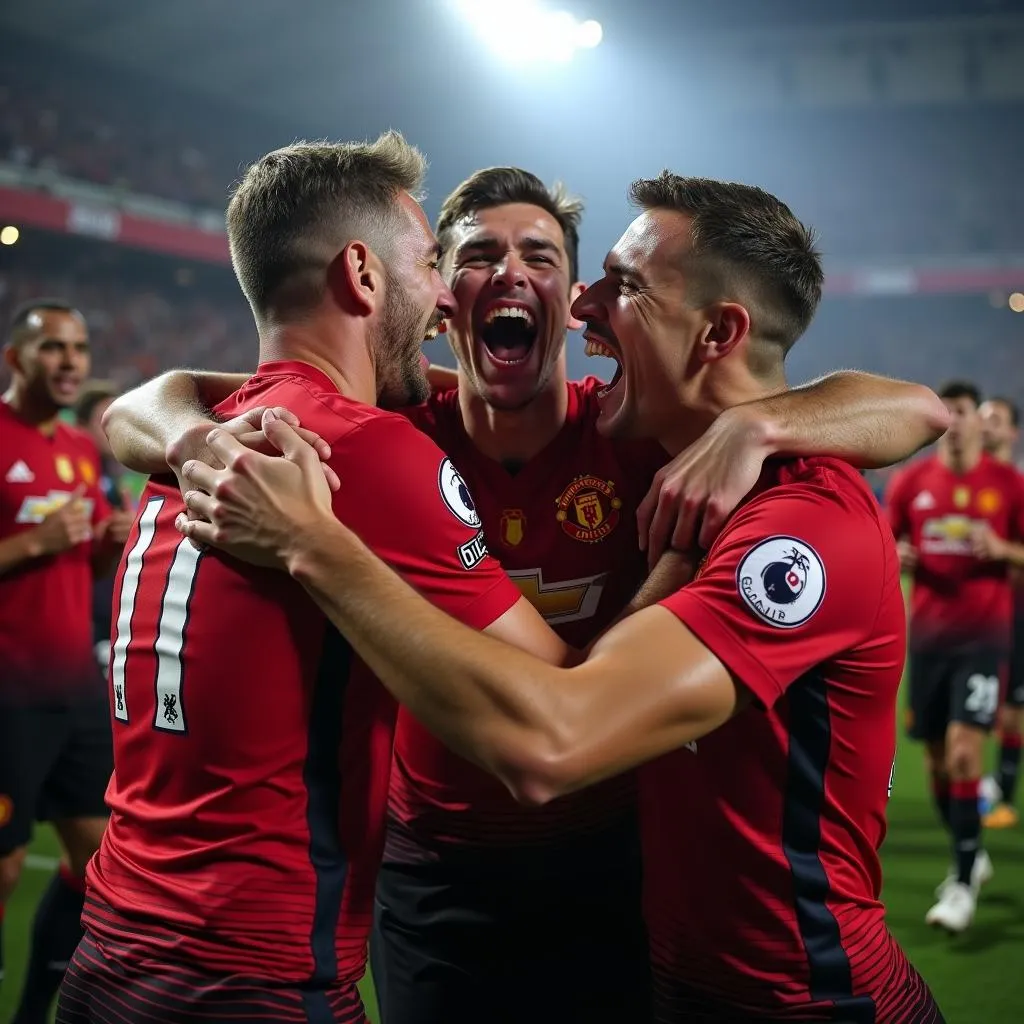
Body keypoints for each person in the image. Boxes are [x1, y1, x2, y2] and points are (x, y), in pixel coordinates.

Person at [104, 164, 948, 1023]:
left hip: (607, 862)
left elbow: (918, 410)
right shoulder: (390, 434)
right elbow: (141, 404)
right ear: (445, 300)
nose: (523, 280)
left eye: (546, 258)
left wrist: (756, 422)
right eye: (467, 256)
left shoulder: (645, 442)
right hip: (433, 874)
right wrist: (194, 440)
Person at [54, 134, 562, 1024]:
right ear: (363, 274)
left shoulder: (205, 435)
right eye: (430, 265)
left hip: (111, 957)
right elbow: (549, 702)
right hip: (248, 980)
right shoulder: (361, 450)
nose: (445, 298)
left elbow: (135, 406)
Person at [0, 300, 132, 1024]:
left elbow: (75, 572)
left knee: (101, 864)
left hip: (74, 689)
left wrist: (102, 550)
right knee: (8, 867)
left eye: (79, 347)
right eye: (52, 347)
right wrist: (34, 545)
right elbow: (38, 553)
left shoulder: (82, 450)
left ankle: (30, 1016)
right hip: (7, 691)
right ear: (17, 359)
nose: (70, 361)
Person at [887, 382, 1024, 933]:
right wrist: (893, 552)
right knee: (940, 765)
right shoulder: (911, 483)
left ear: (975, 422)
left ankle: (962, 884)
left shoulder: (1009, 485)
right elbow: (880, 539)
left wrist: (1005, 550)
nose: (960, 423)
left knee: (967, 755)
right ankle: (970, 850)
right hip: (928, 642)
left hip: (984, 640)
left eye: (966, 413)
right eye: (951, 413)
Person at [979, 396, 1023, 828]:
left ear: (1013, 433)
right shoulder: (968, 483)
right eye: (983, 418)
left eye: (996, 420)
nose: (985, 426)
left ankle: (1004, 792)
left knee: (1013, 709)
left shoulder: (1017, 484)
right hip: (978, 618)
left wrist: (1002, 551)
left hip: (1017, 612)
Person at [75, 381, 137, 676]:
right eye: (105, 419)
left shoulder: (113, 479)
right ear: (81, 427)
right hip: (82, 615)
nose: (115, 427)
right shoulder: (75, 478)